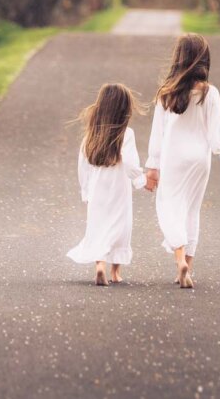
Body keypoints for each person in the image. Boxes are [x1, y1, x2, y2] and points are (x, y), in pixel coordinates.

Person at [145, 34, 220, 289]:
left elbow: (158, 135)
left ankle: (179, 258)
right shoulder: (210, 93)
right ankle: (188, 267)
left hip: (174, 158)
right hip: (200, 159)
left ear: (178, 59)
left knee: (169, 206)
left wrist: (153, 167)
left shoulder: (167, 93)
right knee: (192, 209)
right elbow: (217, 131)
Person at [67, 83, 149, 286]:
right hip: (118, 188)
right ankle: (115, 272)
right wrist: (141, 180)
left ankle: (100, 265)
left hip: (97, 187)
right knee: (120, 226)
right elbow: (130, 162)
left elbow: (82, 166)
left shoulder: (91, 134)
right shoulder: (126, 134)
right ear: (124, 110)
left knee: (98, 225)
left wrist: (85, 191)